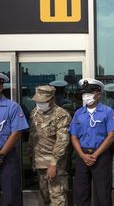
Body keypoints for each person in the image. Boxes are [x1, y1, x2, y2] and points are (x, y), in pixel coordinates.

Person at [69, 78, 114, 206]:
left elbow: (111, 135)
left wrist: (95, 155)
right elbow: (73, 136)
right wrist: (82, 155)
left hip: (101, 156)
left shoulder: (107, 111)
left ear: (98, 94)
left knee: (103, 192)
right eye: (84, 93)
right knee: (81, 192)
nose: (86, 96)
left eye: (90, 93)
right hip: (82, 156)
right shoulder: (79, 113)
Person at [28, 85, 71, 205]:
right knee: (45, 196)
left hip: (55, 164)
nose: (40, 103)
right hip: (39, 162)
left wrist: (53, 163)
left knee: (57, 197)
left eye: (43, 101)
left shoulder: (61, 115)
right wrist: (31, 155)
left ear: (52, 99)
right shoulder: (34, 113)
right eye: (38, 101)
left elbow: (62, 141)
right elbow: (32, 136)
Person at [0, 73, 29, 206]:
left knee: (11, 196)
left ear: (1, 87)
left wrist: (1, 154)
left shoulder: (12, 107)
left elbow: (17, 132)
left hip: (6, 156)